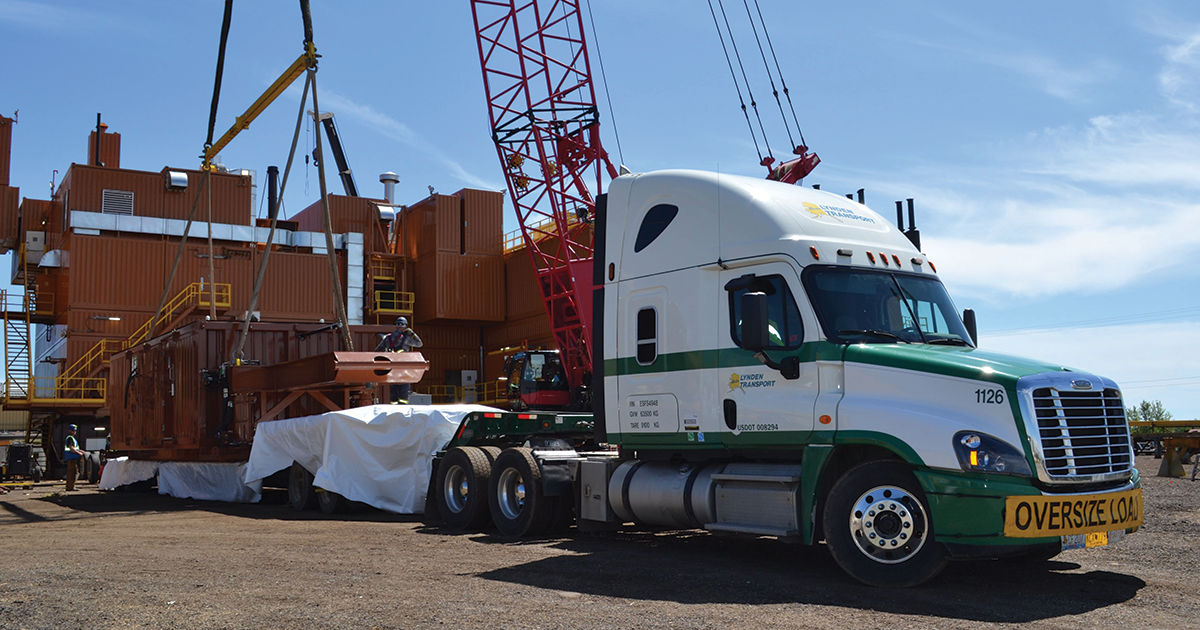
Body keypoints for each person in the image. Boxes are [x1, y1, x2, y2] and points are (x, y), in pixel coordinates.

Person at [375, 317, 423, 403]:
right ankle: (402, 411)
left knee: (393, 392)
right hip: (404, 369)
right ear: (405, 326)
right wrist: (412, 333)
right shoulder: (406, 339)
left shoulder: (387, 338)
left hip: (392, 368)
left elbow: (377, 351)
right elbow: (419, 344)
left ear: (396, 326)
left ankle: (394, 410)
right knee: (404, 394)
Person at [63, 424, 85, 491]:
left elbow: (74, 448)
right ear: (69, 430)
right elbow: (71, 448)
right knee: (71, 473)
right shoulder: (70, 438)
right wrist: (79, 453)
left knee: (74, 472)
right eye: (72, 430)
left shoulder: (72, 438)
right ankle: (70, 487)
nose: (74, 432)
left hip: (73, 458)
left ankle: (71, 486)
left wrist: (80, 450)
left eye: (74, 431)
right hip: (71, 458)